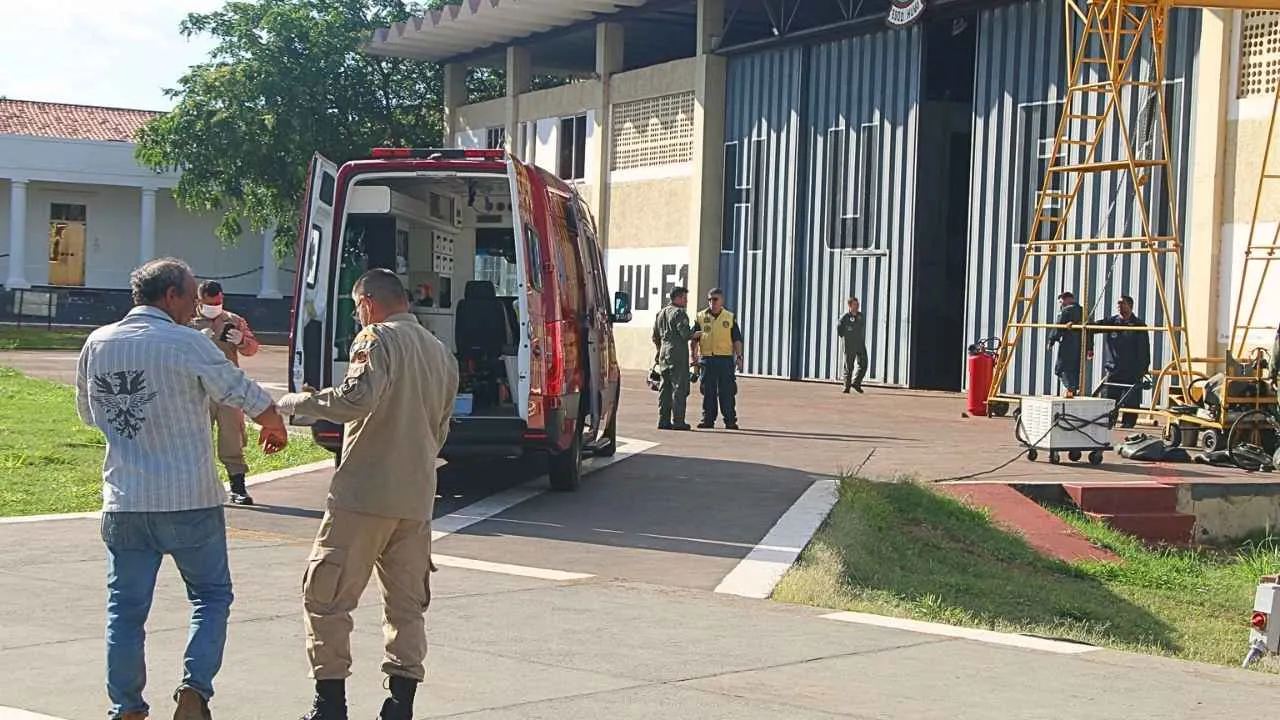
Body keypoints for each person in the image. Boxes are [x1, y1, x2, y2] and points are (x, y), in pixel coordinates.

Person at [75, 258, 288, 720]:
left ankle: (127, 707)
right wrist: (272, 420)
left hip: (125, 499)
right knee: (210, 596)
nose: (197, 305)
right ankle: (193, 690)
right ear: (169, 295)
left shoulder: (97, 343)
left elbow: (89, 415)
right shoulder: (186, 342)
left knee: (125, 612)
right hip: (188, 497)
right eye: (191, 296)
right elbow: (237, 388)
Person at [276, 268, 458, 720]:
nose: (358, 315)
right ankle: (399, 705)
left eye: (357, 307)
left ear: (369, 302)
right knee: (406, 605)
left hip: (364, 494)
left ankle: (330, 705)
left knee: (326, 597)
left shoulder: (376, 338)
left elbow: (356, 399)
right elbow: (440, 430)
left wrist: (295, 405)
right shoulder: (440, 353)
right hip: (415, 497)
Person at [189, 280, 262, 506]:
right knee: (196, 438)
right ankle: (196, 488)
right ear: (199, 301)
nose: (215, 307)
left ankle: (238, 487)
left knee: (233, 437)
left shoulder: (233, 321)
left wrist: (242, 341)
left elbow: (252, 348)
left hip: (228, 388)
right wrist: (195, 340)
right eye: (210, 303)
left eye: (218, 302)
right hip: (198, 389)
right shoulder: (187, 322)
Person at [1095, 294, 1151, 429]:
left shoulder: (1138, 325)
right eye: (1118, 303)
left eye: (1122, 303)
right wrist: (1077, 325)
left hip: (1132, 370)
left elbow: (1144, 348)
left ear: (1130, 306)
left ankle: (1128, 423)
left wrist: (1143, 368)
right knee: (1109, 397)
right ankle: (1109, 421)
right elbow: (1092, 327)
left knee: (1131, 399)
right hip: (1114, 368)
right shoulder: (1112, 322)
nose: (1119, 306)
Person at [692, 288, 744, 430]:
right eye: (709, 299)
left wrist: (739, 357)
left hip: (725, 360)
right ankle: (708, 419)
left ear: (721, 301)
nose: (712, 302)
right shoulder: (700, 317)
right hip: (707, 359)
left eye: (715, 299)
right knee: (708, 391)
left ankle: (730, 420)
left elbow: (737, 339)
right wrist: (694, 357)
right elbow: (694, 339)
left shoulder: (729, 317)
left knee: (727, 391)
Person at [651, 286, 701, 430]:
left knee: (665, 387)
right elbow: (685, 334)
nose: (686, 301)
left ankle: (663, 420)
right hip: (677, 353)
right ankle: (678, 421)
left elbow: (655, 336)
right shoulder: (679, 313)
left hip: (663, 353)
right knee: (679, 387)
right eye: (684, 298)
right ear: (678, 298)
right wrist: (695, 333)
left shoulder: (661, 313)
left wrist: (660, 350)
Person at [1047, 291, 1089, 397]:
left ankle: (1071, 388)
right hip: (1081, 346)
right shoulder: (1083, 311)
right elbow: (1090, 330)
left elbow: (1058, 327)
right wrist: (1090, 347)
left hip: (1068, 345)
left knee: (1061, 368)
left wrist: (1051, 340)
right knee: (1076, 369)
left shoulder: (1066, 311)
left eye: (1061, 301)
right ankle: (1074, 388)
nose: (1061, 304)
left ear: (1067, 299)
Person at [837, 297, 868, 394]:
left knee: (863, 364)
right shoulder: (845, 317)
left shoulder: (860, 316)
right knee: (849, 366)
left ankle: (856, 383)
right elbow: (839, 328)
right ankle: (847, 386)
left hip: (860, 344)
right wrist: (845, 337)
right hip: (850, 344)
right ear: (850, 305)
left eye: (857, 304)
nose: (857, 306)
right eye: (855, 304)